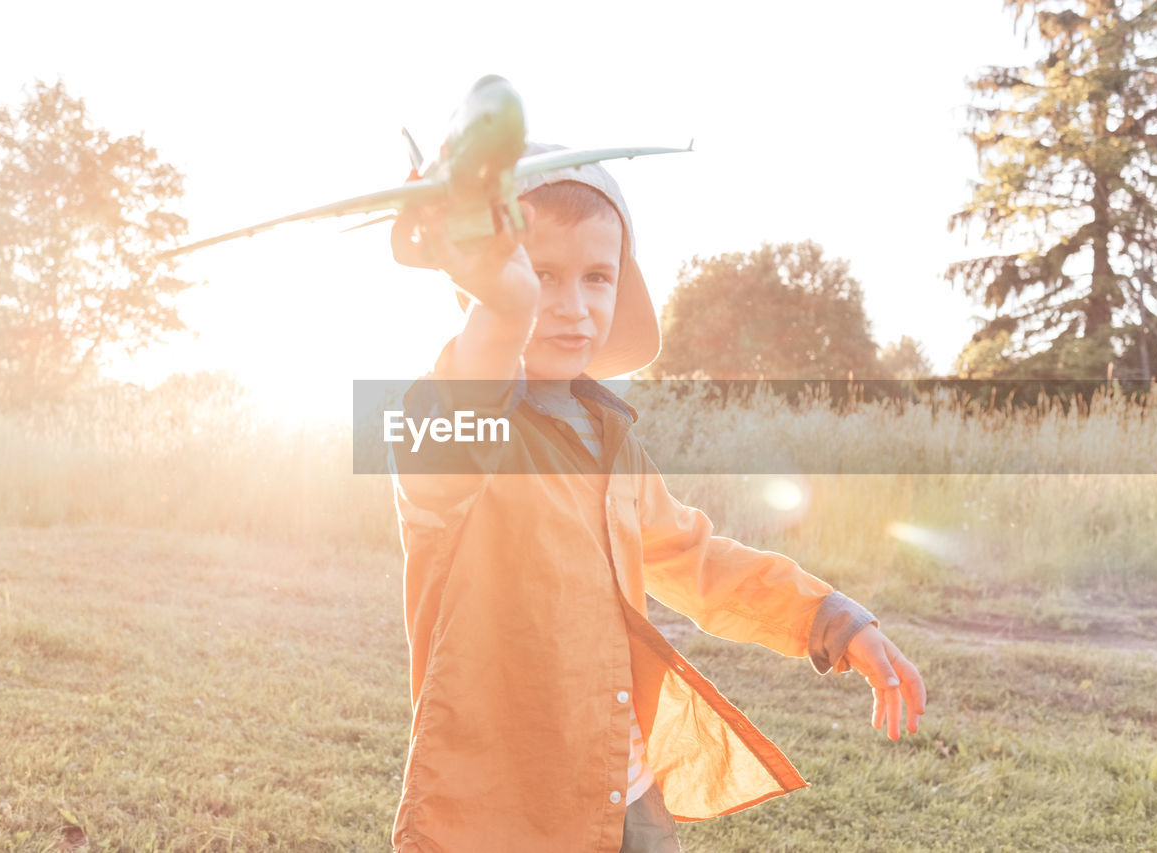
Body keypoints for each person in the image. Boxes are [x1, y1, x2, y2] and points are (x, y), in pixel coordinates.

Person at [384, 143, 926, 853]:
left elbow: (699, 560)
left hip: (626, 793)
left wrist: (830, 619)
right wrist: (504, 302)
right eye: (542, 274)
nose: (573, 307)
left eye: (597, 277)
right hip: (502, 813)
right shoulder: (460, 427)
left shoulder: (611, 438)